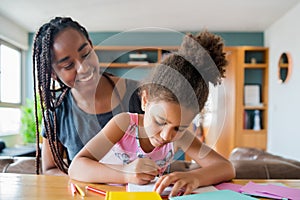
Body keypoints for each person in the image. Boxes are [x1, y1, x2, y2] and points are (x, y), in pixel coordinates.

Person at [68, 31, 235, 197]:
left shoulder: (181, 137)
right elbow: (76, 167)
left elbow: (226, 167)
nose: (166, 135)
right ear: (145, 100)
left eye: (180, 127)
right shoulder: (124, 124)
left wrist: (195, 178)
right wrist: (125, 173)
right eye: (160, 121)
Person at [32, 17, 143, 175]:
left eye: (85, 54)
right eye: (68, 65)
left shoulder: (139, 94)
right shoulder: (56, 114)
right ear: (53, 74)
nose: (83, 68)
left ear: (91, 46)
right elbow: (51, 169)